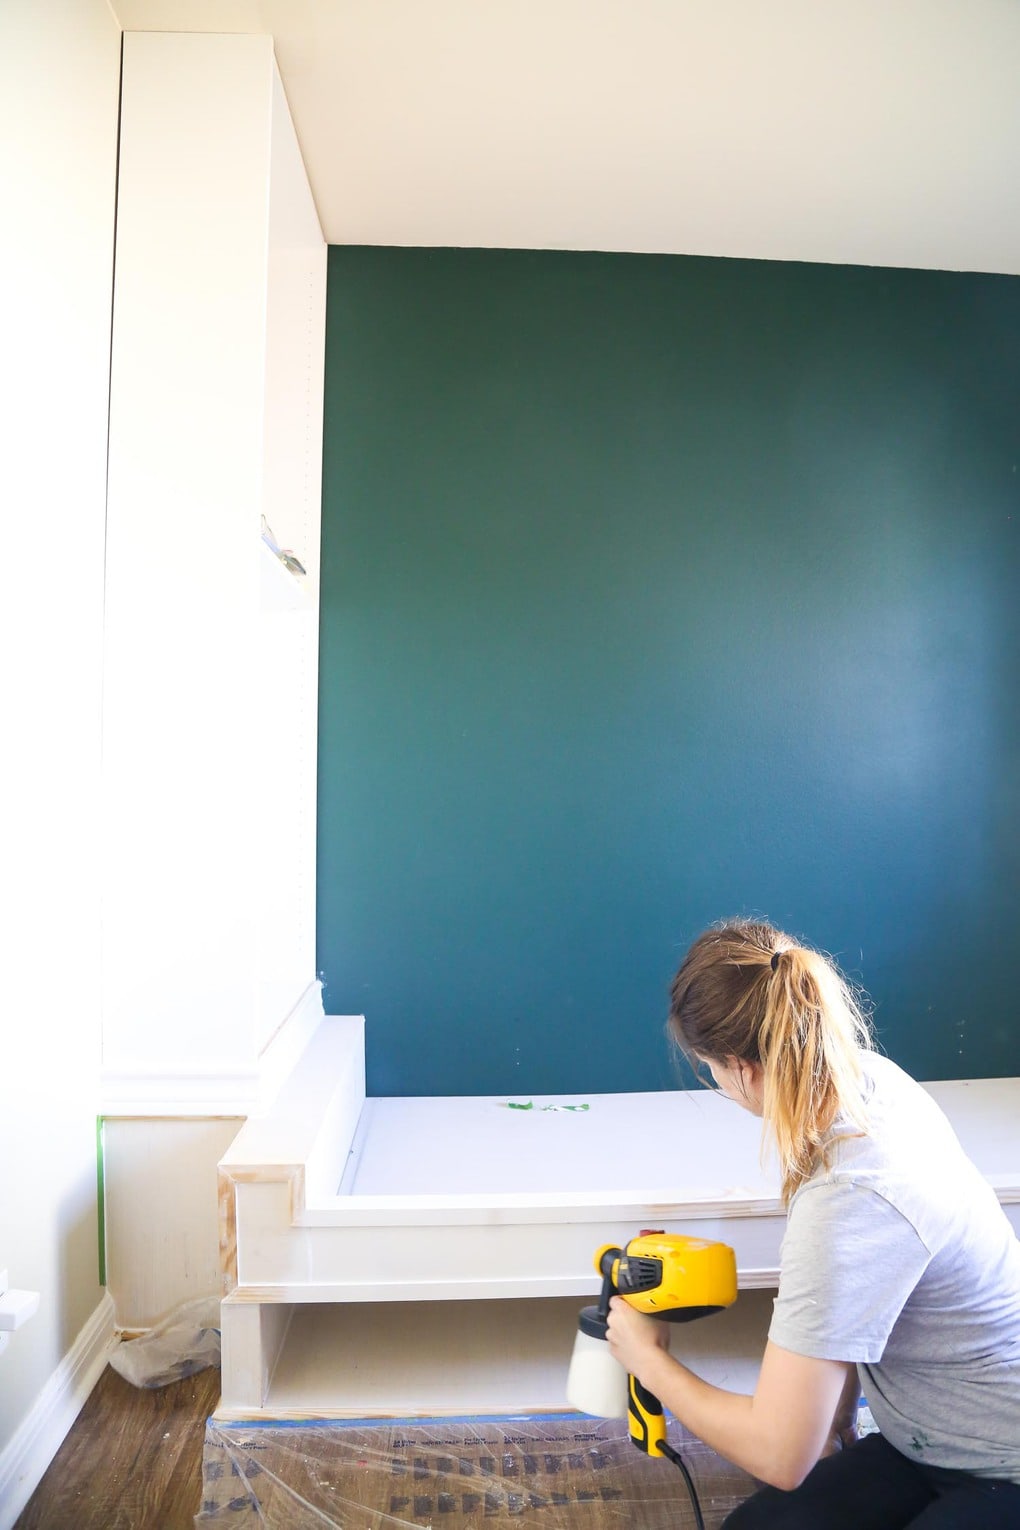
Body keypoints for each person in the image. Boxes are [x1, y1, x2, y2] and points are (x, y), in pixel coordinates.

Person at [605, 918, 1020, 1528]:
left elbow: (780, 1457)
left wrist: (648, 1361)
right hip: (922, 1438)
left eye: (708, 1070)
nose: (717, 1084)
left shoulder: (851, 1196)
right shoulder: (869, 1081)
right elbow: (861, 1290)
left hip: (1004, 1460)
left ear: (740, 1068)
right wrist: (837, 1417)